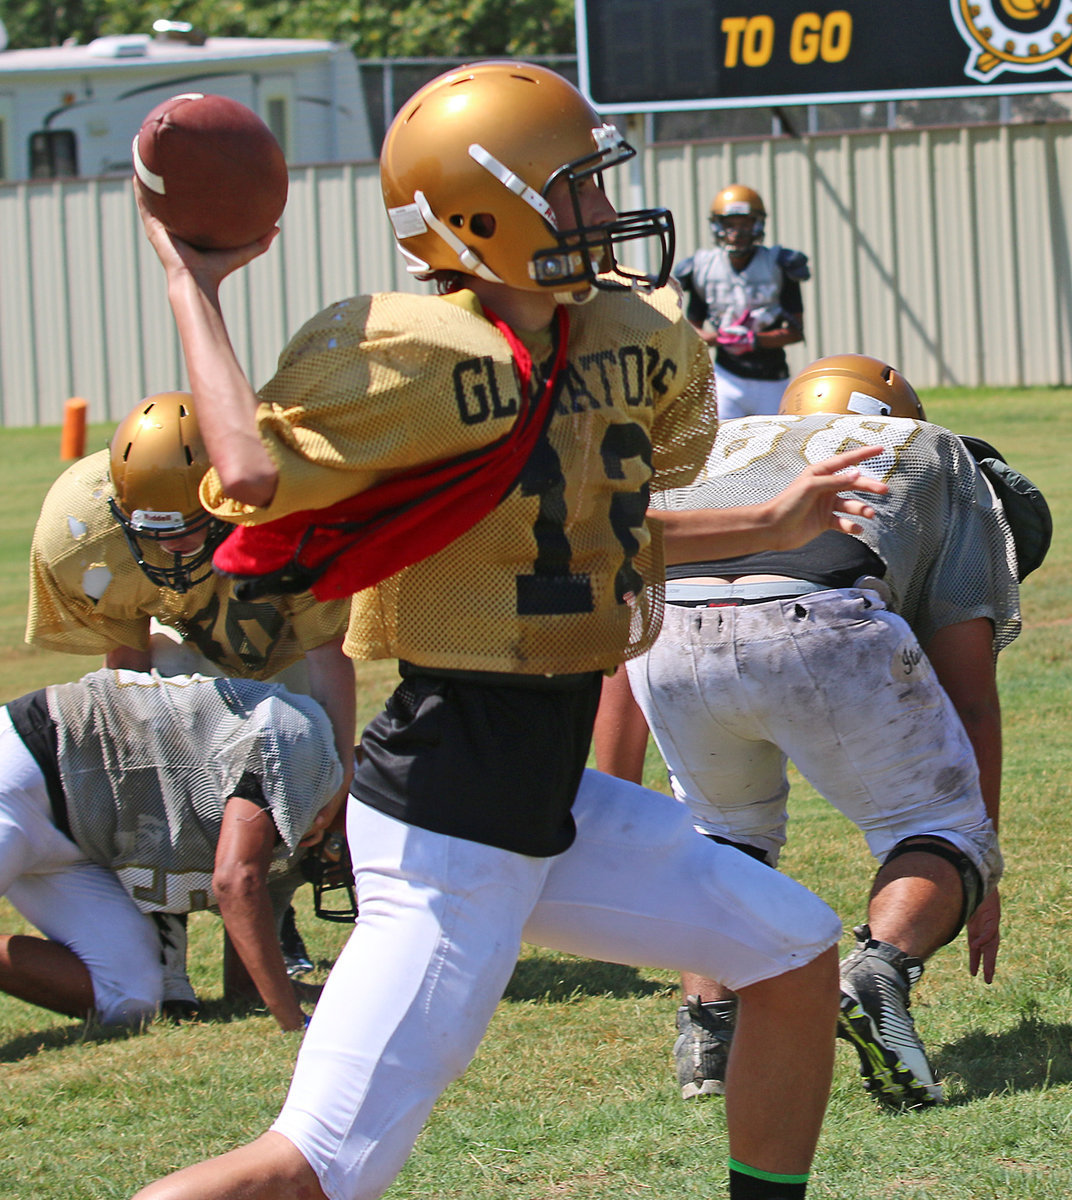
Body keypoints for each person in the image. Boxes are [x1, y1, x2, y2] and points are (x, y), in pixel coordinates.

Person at [129, 62, 889, 1200]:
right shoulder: (414, 357)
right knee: (308, 1170)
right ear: (481, 211)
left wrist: (772, 517)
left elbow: (593, 535)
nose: (600, 208)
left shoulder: (615, 334)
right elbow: (242, 471)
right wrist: (193, 284)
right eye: (572, 189)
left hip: (543, 801)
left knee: (790, 949)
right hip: (450, 825)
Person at [594, 354, 1019, 1111]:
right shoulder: (929, 450)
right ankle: (878, 972)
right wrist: (974, 863)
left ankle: (709, 1028)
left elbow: (621, 655)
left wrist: (611, 808)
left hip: (668, 633)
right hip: (813, 611)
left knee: (721, 827)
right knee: (937, 826)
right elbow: (971, 695)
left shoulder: (716, 444)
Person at [26, 391, 356, 1010]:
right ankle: (166, 951)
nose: (176, 549)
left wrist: (336, 771)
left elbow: (326, 651)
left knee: (296, 759)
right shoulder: (82, 529)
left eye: (192, 528)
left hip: (279, 640)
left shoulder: (288, 499)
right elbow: (124, 668)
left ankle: (265, 945)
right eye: (157, 533)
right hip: (180, 640)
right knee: (163, 696)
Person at [0, 667, 345, 1033]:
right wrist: (294, 1023)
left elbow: (245, 985)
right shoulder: (301, 747)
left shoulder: (304, 806)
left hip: (73, 835)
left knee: (130, 1000)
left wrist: (301, 994)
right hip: (25, 769)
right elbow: (236, 881)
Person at [673, 184, 808, 420]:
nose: (737, 232)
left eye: (744, 224)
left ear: (757, 224)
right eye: (730, 224)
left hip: (772, 379)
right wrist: (717, 339)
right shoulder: (704, 268)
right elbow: (690, 327)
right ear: (718, 225)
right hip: (726, 377)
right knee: (722, 447)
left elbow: (796, 332)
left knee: (776, 448)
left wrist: (754, 340)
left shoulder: (778, 265)